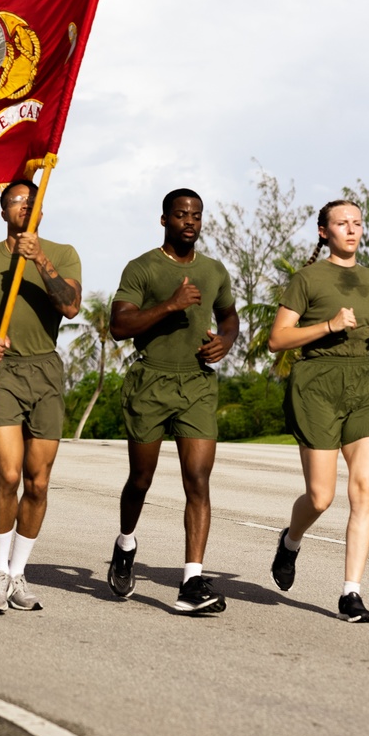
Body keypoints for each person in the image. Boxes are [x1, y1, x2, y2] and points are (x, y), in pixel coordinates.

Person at [267, 198, 369, 623]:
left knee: (363, 487)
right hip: (317, 386)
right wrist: (328, 326)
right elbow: (278, 339)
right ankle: (290, 542)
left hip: (367, 382)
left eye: (357, 223)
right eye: (341, 223)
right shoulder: (307, 280)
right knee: (321, 497)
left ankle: (351, 592)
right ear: (324, 231)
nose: (351, 229)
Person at [108, 189, 239, 612]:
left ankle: (192, 582)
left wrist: (226, 341)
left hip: (197, 384)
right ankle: (126, 544)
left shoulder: (214, 270)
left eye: (196, 215)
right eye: (181, 214)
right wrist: (170, 304)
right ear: (163, 220)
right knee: (141, 480)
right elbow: (119, 325)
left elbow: (229, 315)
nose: (189, 221)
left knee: (197, 480)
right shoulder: (142, 268)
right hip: (151, 381)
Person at [0, 179, 82, 613]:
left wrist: (40, 260)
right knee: (9, 475)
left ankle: (19, 572)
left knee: (39, 481)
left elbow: (70, 306)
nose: (25, 208)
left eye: (33, 202)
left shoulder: (63, 253)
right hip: (1, 370)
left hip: (45, 369)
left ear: (42, 211)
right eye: (17, 202)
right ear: (3, 209)